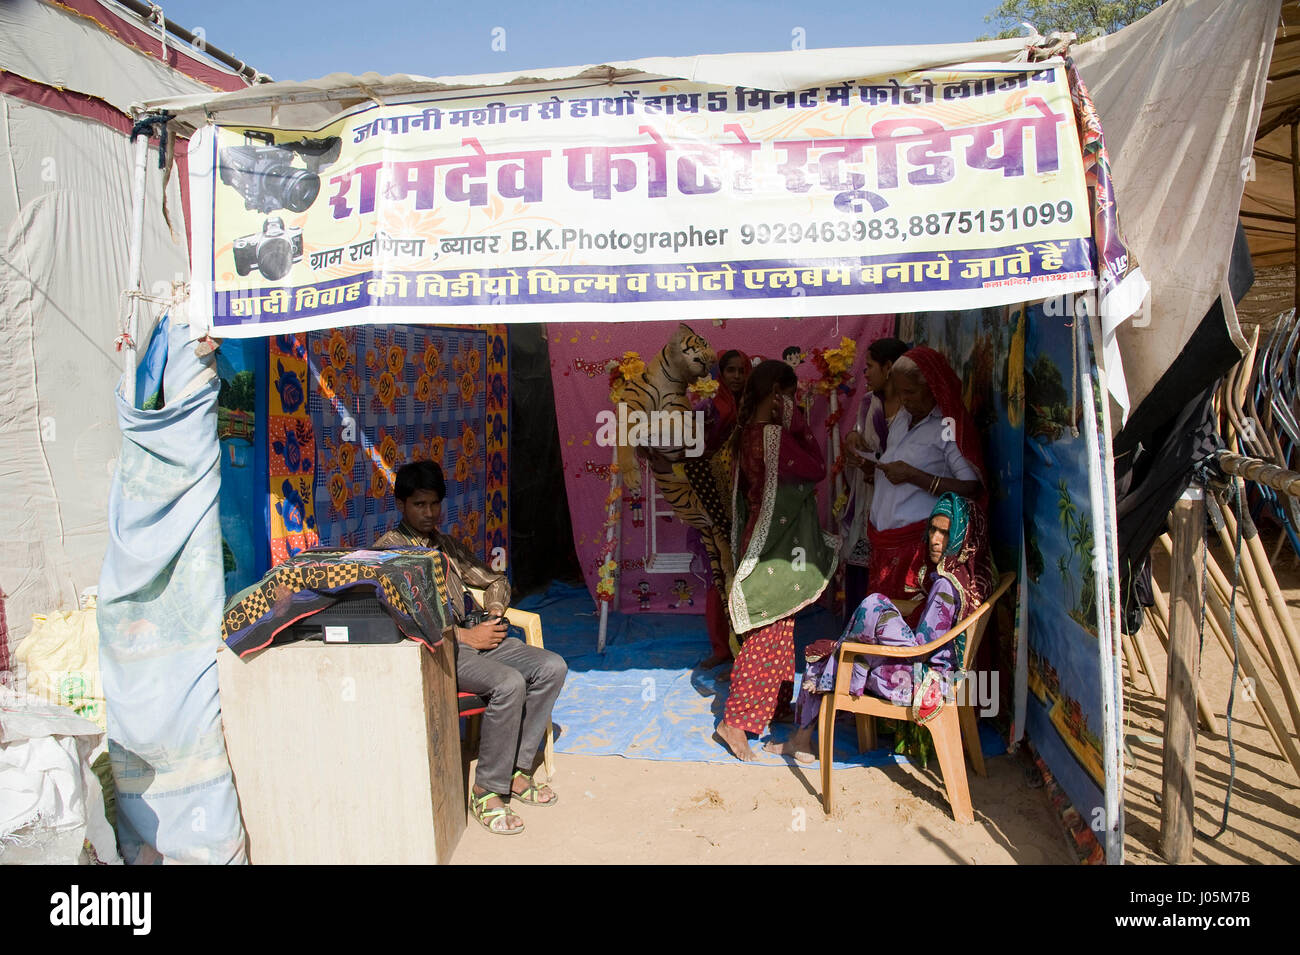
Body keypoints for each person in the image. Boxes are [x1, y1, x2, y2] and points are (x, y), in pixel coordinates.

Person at [375, 460, 567, 835]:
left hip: (476, 637)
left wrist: (493, 612)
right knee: (509, 683)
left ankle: (516, 769)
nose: (429, 513)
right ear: (401, 505)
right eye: (419, 505)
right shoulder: (388, 554)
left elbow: (494, 579)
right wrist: (463, 638)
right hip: (439, 651)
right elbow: (398, 620)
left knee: (553, 666)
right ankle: (486, 790)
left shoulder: (445, 545)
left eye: (434, 504)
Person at [766, 494, 995, 763]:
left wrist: (883, 622)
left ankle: (801, 741)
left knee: (841, 643)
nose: (934, 539)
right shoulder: (971, 575)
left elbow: (921, 648)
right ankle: (838, 666)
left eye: (944, 533)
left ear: (961, 537)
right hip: (937, 672)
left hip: (922, 680)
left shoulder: (946, 586)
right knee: (861, 630)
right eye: (932, 528)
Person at [714, 360, 838, 761]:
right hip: (775, 545)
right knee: (769, 631)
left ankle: (775, 707)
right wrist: (798, 424)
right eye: (791, 395)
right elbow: (816, 468)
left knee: (778, 626)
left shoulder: (747, 433)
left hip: (762, 536)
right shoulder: (774, 436)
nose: (795, 403)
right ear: (778, 395)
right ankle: (735, 720)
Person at [862, 346, 983, 599]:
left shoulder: (946, 426)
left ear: (932, 387)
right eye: (900, 392)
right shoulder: (904, 419)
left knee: (904, 627)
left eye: (911, 392)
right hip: (885, 545)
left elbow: (971, 487)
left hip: (914, 550)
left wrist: (913, 475)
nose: (905, 400)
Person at [840, 337, 909, 618]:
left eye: (869, 366)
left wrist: (880, 469)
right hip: (869, 504)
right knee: (859, 579)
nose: (865, 373)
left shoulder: (912, 408)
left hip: (899, 509)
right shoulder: (869, 404)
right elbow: (861, 443)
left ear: (889, 367)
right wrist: (853, 443)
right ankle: (856, 644)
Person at [691, 349, 750, 670]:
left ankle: (746, 649)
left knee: (746, 576)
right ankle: (721, 648)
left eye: (742, 370)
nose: (737, 377)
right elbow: (692, 453)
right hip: (715, 503)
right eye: (731, 371)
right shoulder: (708, 409)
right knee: (719, 576)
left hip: (750, 503)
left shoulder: (757, 409)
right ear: (720, 374)